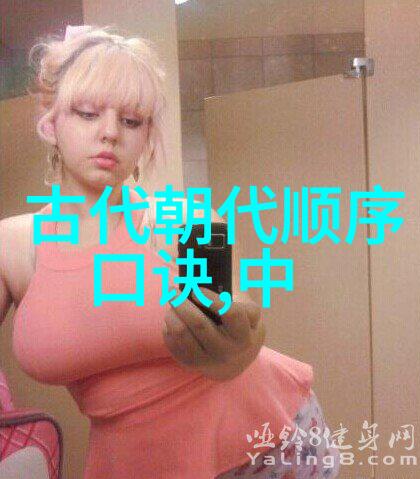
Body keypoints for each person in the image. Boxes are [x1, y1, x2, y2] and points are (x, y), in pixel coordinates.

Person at [0, 25, 341, 478]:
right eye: (87, 113)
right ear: (50, 121)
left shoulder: (184, 221)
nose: (110, 133)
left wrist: (239, 342)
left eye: (131, 121)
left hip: (266, 446)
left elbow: (235, 329)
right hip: (134, 461)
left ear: (146, 136)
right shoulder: (14, 246)